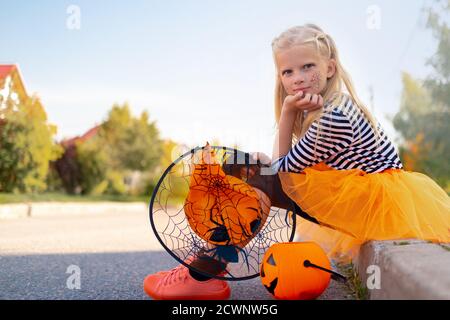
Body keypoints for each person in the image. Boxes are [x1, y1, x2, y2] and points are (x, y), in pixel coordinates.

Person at [143, 24, 450, 300]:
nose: (298, 78)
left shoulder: (334, 116)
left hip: (373, 199)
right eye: (287, 72)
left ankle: (203, 274)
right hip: (364, 191)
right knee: (254, 172)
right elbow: (286, 164)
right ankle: (209, 266)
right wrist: (267, 159)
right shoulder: (327, 105)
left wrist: (287, 115)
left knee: (258, 179)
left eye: (307, 66)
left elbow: (284, 169)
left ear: (329, 68)